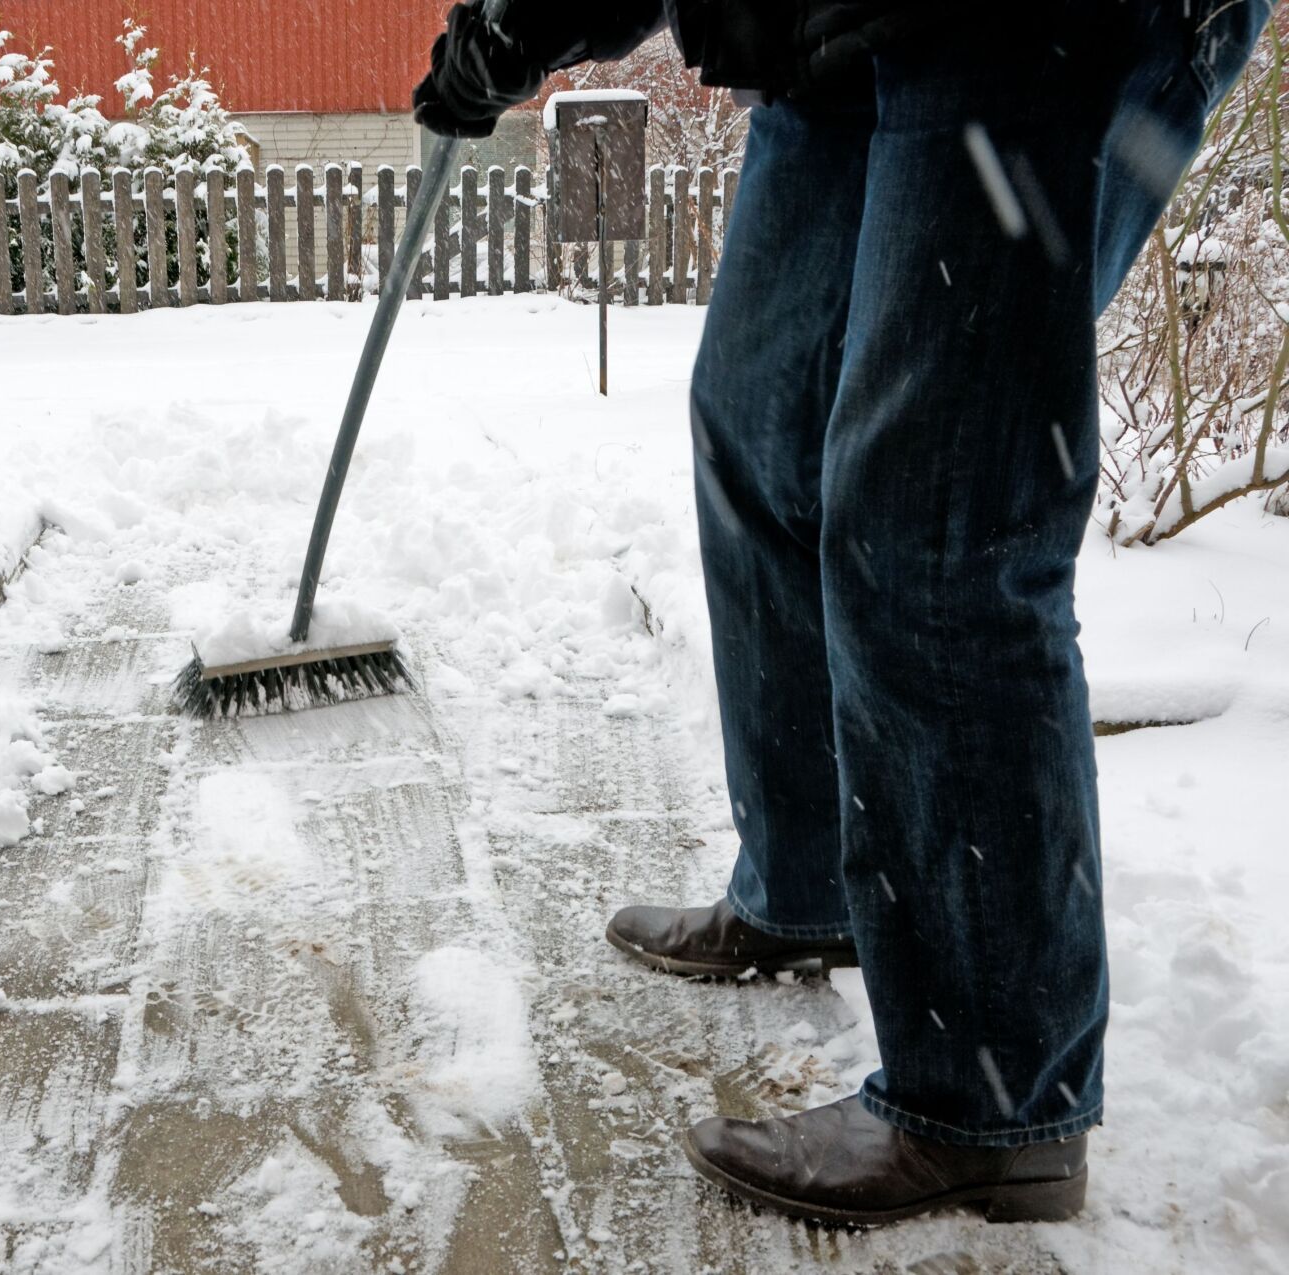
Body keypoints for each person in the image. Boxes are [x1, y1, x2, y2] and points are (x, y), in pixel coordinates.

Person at [415, 0, 1270, 1227]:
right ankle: (807, 886)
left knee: (935, 521)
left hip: (1027, 31)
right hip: (833, 39)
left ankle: (992, 1099)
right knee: (759, 434)